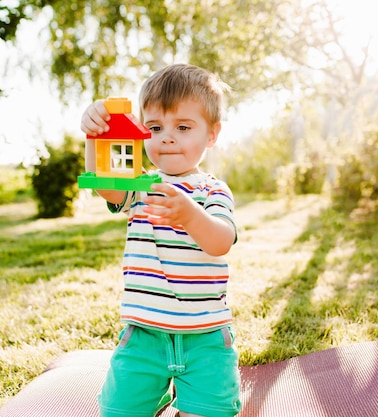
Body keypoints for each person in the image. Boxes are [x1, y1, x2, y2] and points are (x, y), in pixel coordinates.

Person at [80, 63, 241, 417]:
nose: (167, 137)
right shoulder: (140, 185)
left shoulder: (211, 189)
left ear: (212, 134)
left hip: (205, 337)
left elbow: (221, 241)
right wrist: (95, 134)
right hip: (143, 337)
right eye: (154, 127)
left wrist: (189, 215)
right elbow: (103, 182)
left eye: (183, 127)